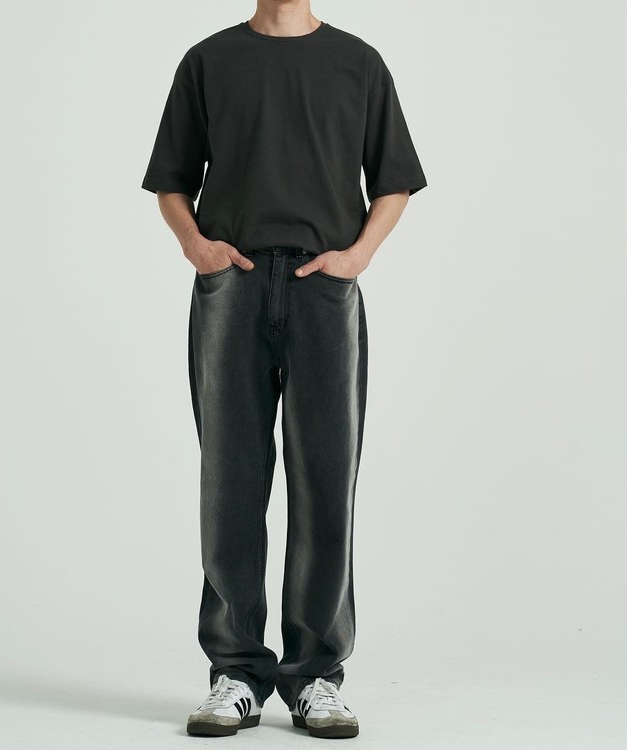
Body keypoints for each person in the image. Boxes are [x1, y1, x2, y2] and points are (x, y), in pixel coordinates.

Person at [140, 0, 427, 739]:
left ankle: (314, 676)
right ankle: (236, 671)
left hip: (323, 289)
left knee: (326, 480)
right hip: (231, 283)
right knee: (230, 481)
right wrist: (197, 248)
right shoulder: (208, 61)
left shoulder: (358, 63)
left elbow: (393, 180)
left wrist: (357, 258)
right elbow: (172, 180)